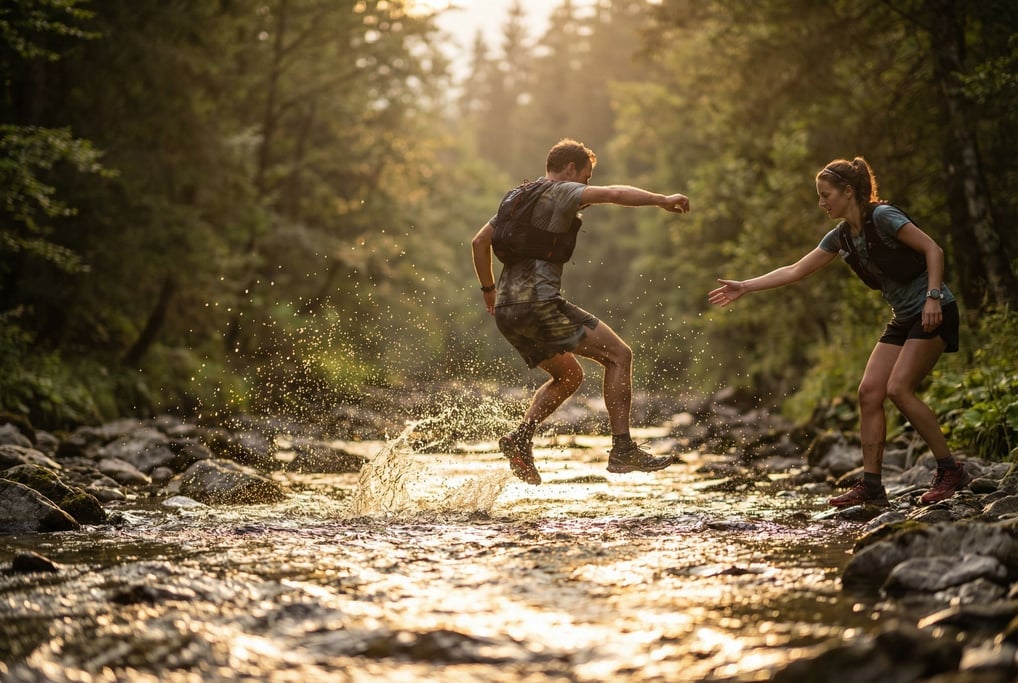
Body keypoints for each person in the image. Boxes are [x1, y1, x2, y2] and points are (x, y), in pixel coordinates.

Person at [708, 156, 968, 507]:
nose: (821, 202)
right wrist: (746, 286)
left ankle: (950, 470)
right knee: (868, 392)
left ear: (848, 192)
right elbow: (796, 270)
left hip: (933, 310)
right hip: (905, 316)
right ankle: (872, 486)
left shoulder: (883, 217)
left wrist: (933, 297)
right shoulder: (842, 236)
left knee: (898, 390)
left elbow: (932, 249)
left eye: (826, 194)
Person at [471, 138, 690, 485]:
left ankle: (520, 439)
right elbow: (616, 194)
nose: (585, 187)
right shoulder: (562, 191)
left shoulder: (515, 198)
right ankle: (622, 449)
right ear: (571, 169)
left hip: (508, 312)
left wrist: (489, 291)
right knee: (619, 355)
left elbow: (479, 242)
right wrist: (661, 200)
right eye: (586, 178)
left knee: (569, 376)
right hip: (539, 305)